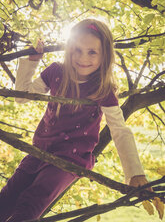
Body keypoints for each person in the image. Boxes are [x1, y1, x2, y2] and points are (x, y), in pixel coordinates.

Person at [0, 19, 149, 221]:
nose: (82, 58)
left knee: (31, 203)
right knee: (6, 199)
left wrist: (135, 174)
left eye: (92, 52)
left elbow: (119, 130)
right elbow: (21, 97)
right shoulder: (55, 72)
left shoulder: (103, 90)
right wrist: (32, 61)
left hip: (70, 158)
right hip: (38, 152)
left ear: (104, 55)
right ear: (69, 48)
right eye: (77, 49)